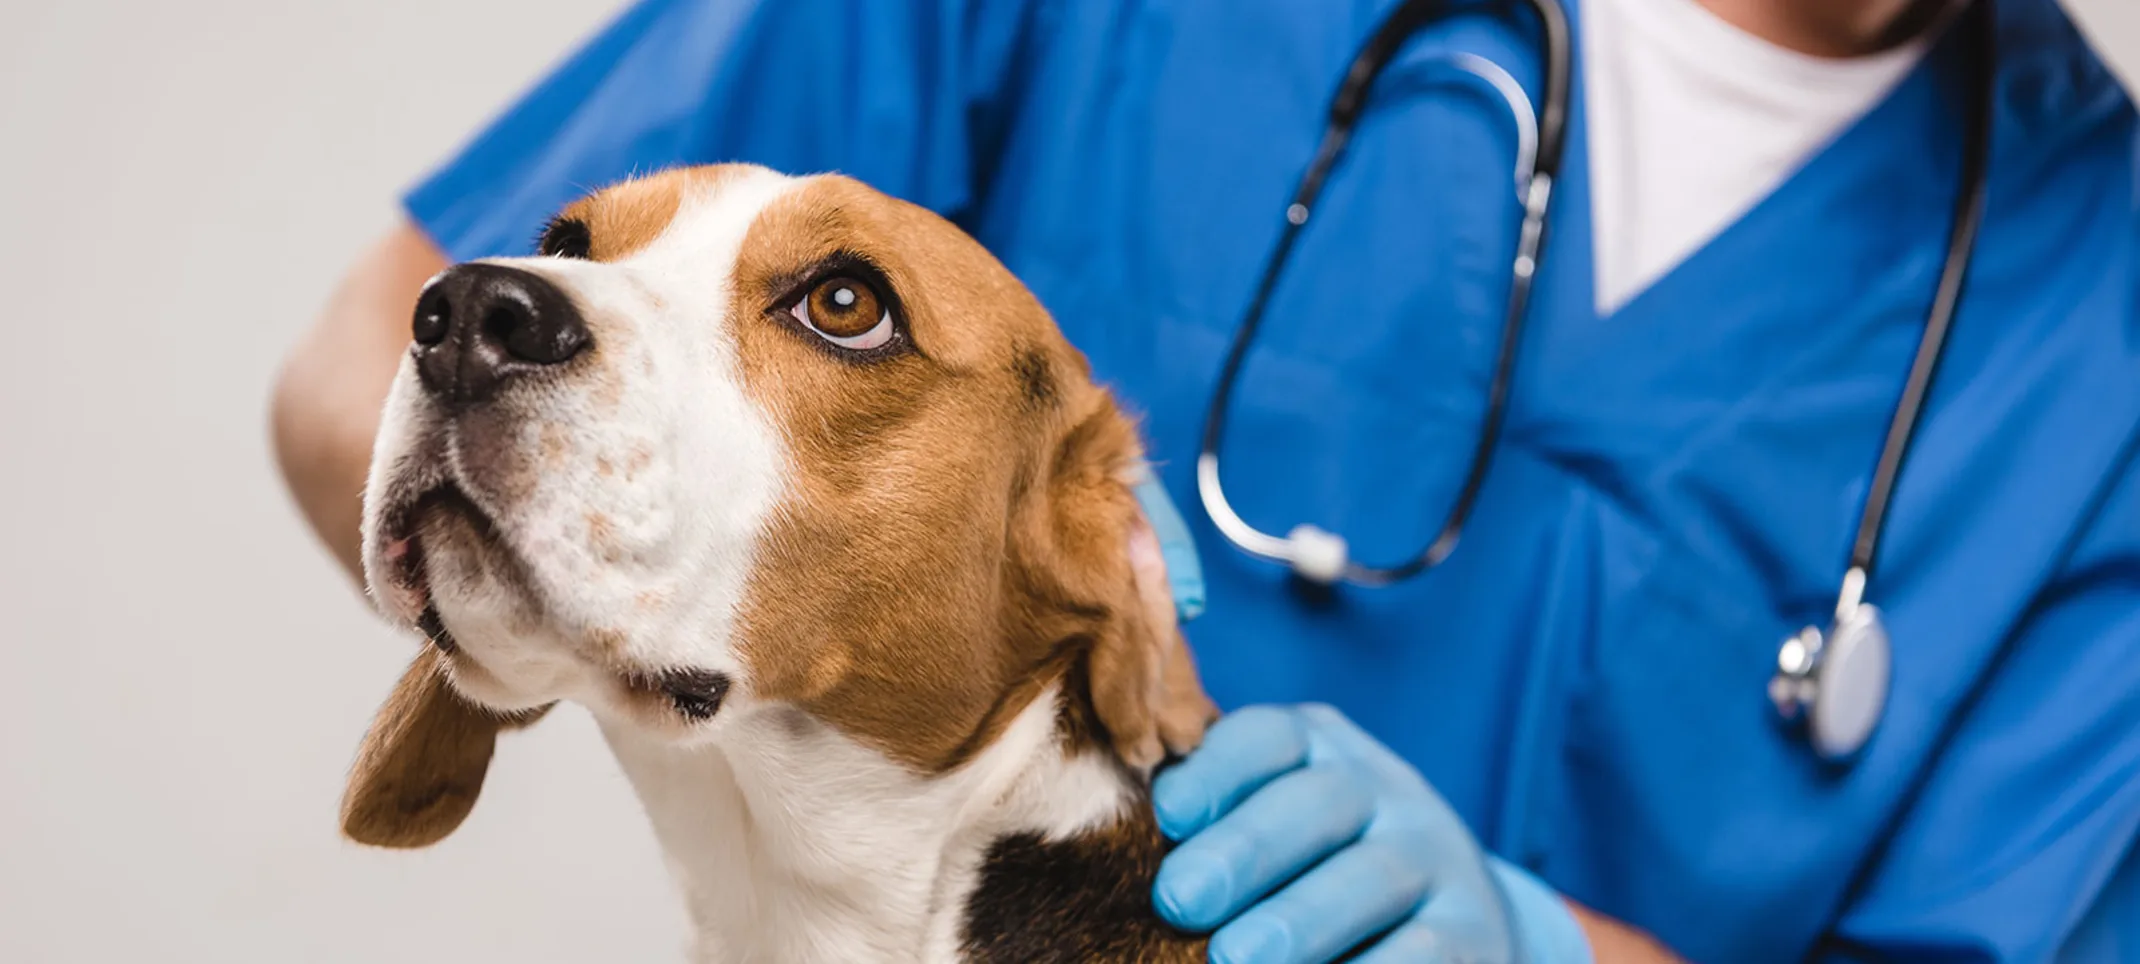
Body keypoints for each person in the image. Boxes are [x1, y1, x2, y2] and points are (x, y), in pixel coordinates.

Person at [271, 0, 2140, 960]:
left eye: (836, 309)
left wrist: (1531, 950)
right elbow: (379, 360)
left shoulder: (2101, 320)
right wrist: (630, 610)